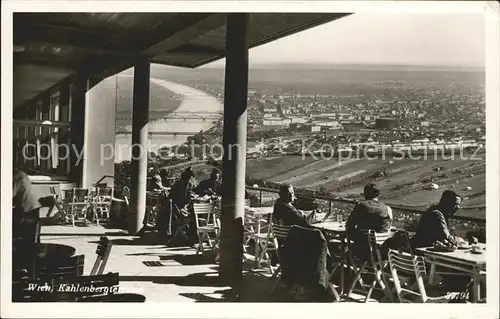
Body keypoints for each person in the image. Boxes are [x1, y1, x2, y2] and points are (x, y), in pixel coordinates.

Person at [346, 183, 392, 259]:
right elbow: (388, 228)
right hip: (383, 252)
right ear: (378, 194)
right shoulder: (387, 208)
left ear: (365, 194)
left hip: (362, 250)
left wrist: (351, 238)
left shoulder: (361, 206)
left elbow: (349, 225)